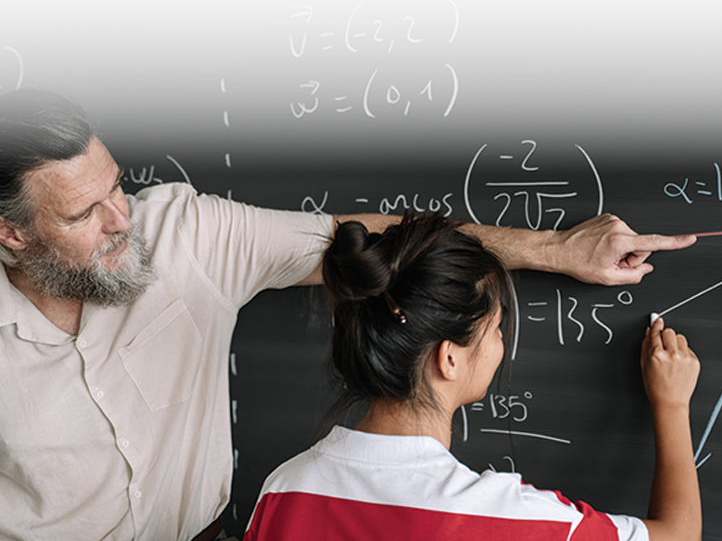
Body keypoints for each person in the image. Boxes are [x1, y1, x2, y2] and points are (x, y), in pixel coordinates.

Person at [0, 88, 696, 541]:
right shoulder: (503, 515)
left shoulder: (187, 237)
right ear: (13, 232)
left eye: (118, 185)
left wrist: (555, 248)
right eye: (86, 213)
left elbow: (368, 242)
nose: (124, 218)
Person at [244, 215, 702, 541]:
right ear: (450, 359)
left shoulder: (284, 490)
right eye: (496, 328)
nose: (501, 344)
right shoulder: (507, 517)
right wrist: (672, 404)